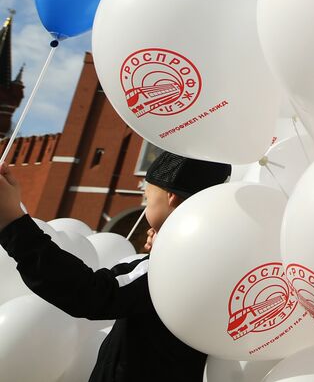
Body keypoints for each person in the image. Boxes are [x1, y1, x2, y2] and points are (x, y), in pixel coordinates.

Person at [0, 150, 230, 381]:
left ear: (171, 197)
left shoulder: (169, 269)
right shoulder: (217, 265)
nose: (146, 205)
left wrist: (13, 222)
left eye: (148, 196)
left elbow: (91, 292)